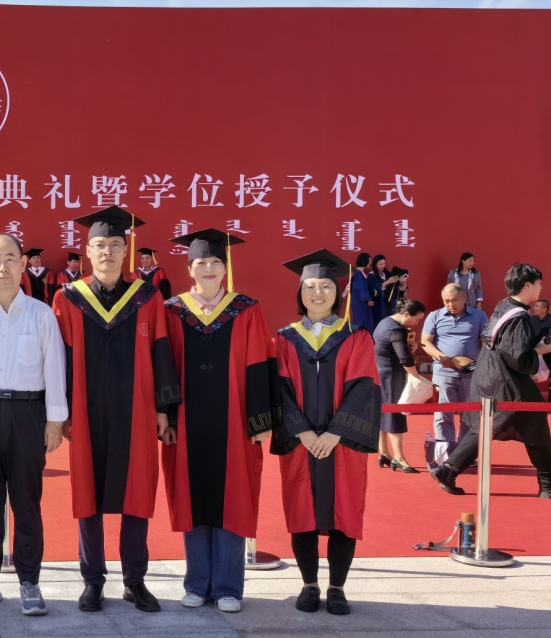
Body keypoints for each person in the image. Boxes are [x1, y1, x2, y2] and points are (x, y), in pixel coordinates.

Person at [51, 205, 181, 614]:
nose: (107, 251)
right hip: (86, 410)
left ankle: (134, 580)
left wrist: (164, 409)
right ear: (87, 251)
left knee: (137, 491)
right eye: (99, 245)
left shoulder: (147, 297)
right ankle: (92, 581)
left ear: (126, 250)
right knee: (87, 494)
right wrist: (62, 411)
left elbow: (161, 351)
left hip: (136, 409)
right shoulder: (68, 298)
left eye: (114, 245)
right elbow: (60, 359)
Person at [160, 229, 278, 614]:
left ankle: (227, 586)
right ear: (189, 268)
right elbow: (164, 367)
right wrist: (167, 416)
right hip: (186, 420)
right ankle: (197, 583)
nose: (208, 269)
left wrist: (260, 420)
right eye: (201, 263)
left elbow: (260, 364)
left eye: (215, 262)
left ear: (225, 268)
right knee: (192, 497)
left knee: (233, 498)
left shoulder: (246, 309)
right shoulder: (173, 310)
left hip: (235, 421)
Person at [0, 233, 67, 617]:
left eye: (10, 258)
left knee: (26, 501)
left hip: (27, 414)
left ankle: (29, 581)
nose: (3, 267)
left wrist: (55, 421)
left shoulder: (41, 314)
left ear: (23, 264)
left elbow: (54, 368)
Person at [272, 249, 381, 616]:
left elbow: (364, 386)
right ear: (300, 292)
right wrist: (301, 431)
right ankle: (308, 585)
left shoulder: (356, 336)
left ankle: (336, 587)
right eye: (310, 287)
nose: (317, 293)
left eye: (325, 287)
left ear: (338, 292)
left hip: (342, 443)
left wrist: (336, 432)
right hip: (300, 443)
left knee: (344, 514)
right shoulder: (285, 338)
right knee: (301, 512)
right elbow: (280, 389)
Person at [430, 263, 551, 498]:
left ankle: (448, 469)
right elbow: (518, 357)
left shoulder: (504, 306)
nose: (541, 287)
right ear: (527, 285)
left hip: (490, 375)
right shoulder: (518, 317)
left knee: (487, 427)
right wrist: (540, 352)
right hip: (507, 382)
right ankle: (547, 485)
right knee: (534, 424)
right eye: (538, 283)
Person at [420, 284, 488, 458]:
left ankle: (463, 455)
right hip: (443, 373)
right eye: (446, 301)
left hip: (471, 373)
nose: (450, 304)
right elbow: (425, 342)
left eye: (454, 300)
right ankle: (445, 454)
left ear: (464, 297)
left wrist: (483, 366)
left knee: (469, 415)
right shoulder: (435, 316)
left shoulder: (479, 315)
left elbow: (487, 342)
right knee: (443, 414)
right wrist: (440, 356)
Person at [373, 299, 427, 473]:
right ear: (406, 314)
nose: (417, 323)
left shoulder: (384, 322)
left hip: (379, 373)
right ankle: (399, 457)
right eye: (416, 319)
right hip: (392, 375)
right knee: (395, 414)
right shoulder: (397, 330)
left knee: (382, 413)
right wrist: (416, 378)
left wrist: (410, 347)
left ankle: (384, 453)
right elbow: (404, 359)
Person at [369, 255, 402, 329]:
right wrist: (388, 282)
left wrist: (397, 280)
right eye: (380, 264)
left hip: (389, 301)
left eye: (384, 263)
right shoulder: (371, 276)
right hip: (379, 303)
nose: (382, 266)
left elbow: (395, 288)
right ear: (375, 264)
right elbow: (372, 288)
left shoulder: (387, 274)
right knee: (380, 321)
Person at [348, 253, 376, 333]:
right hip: (360, 302)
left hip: (359, 301)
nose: (370, 262)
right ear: (364, 261)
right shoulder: (358, 274)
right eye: (369, 260)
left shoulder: (359, 273)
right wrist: (367, 299)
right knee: (361, 322)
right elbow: (359, 288)